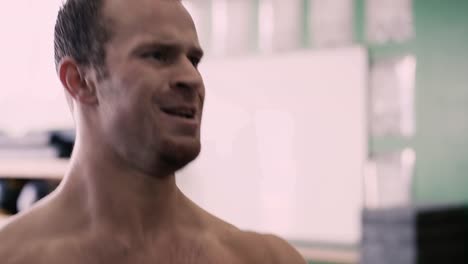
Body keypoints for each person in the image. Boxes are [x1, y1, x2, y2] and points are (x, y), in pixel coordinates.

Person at [0, 0, 306, 263]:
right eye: (157, 55)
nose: (192, 78)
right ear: (80, 81)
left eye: (194, 60)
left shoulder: (266, 259)